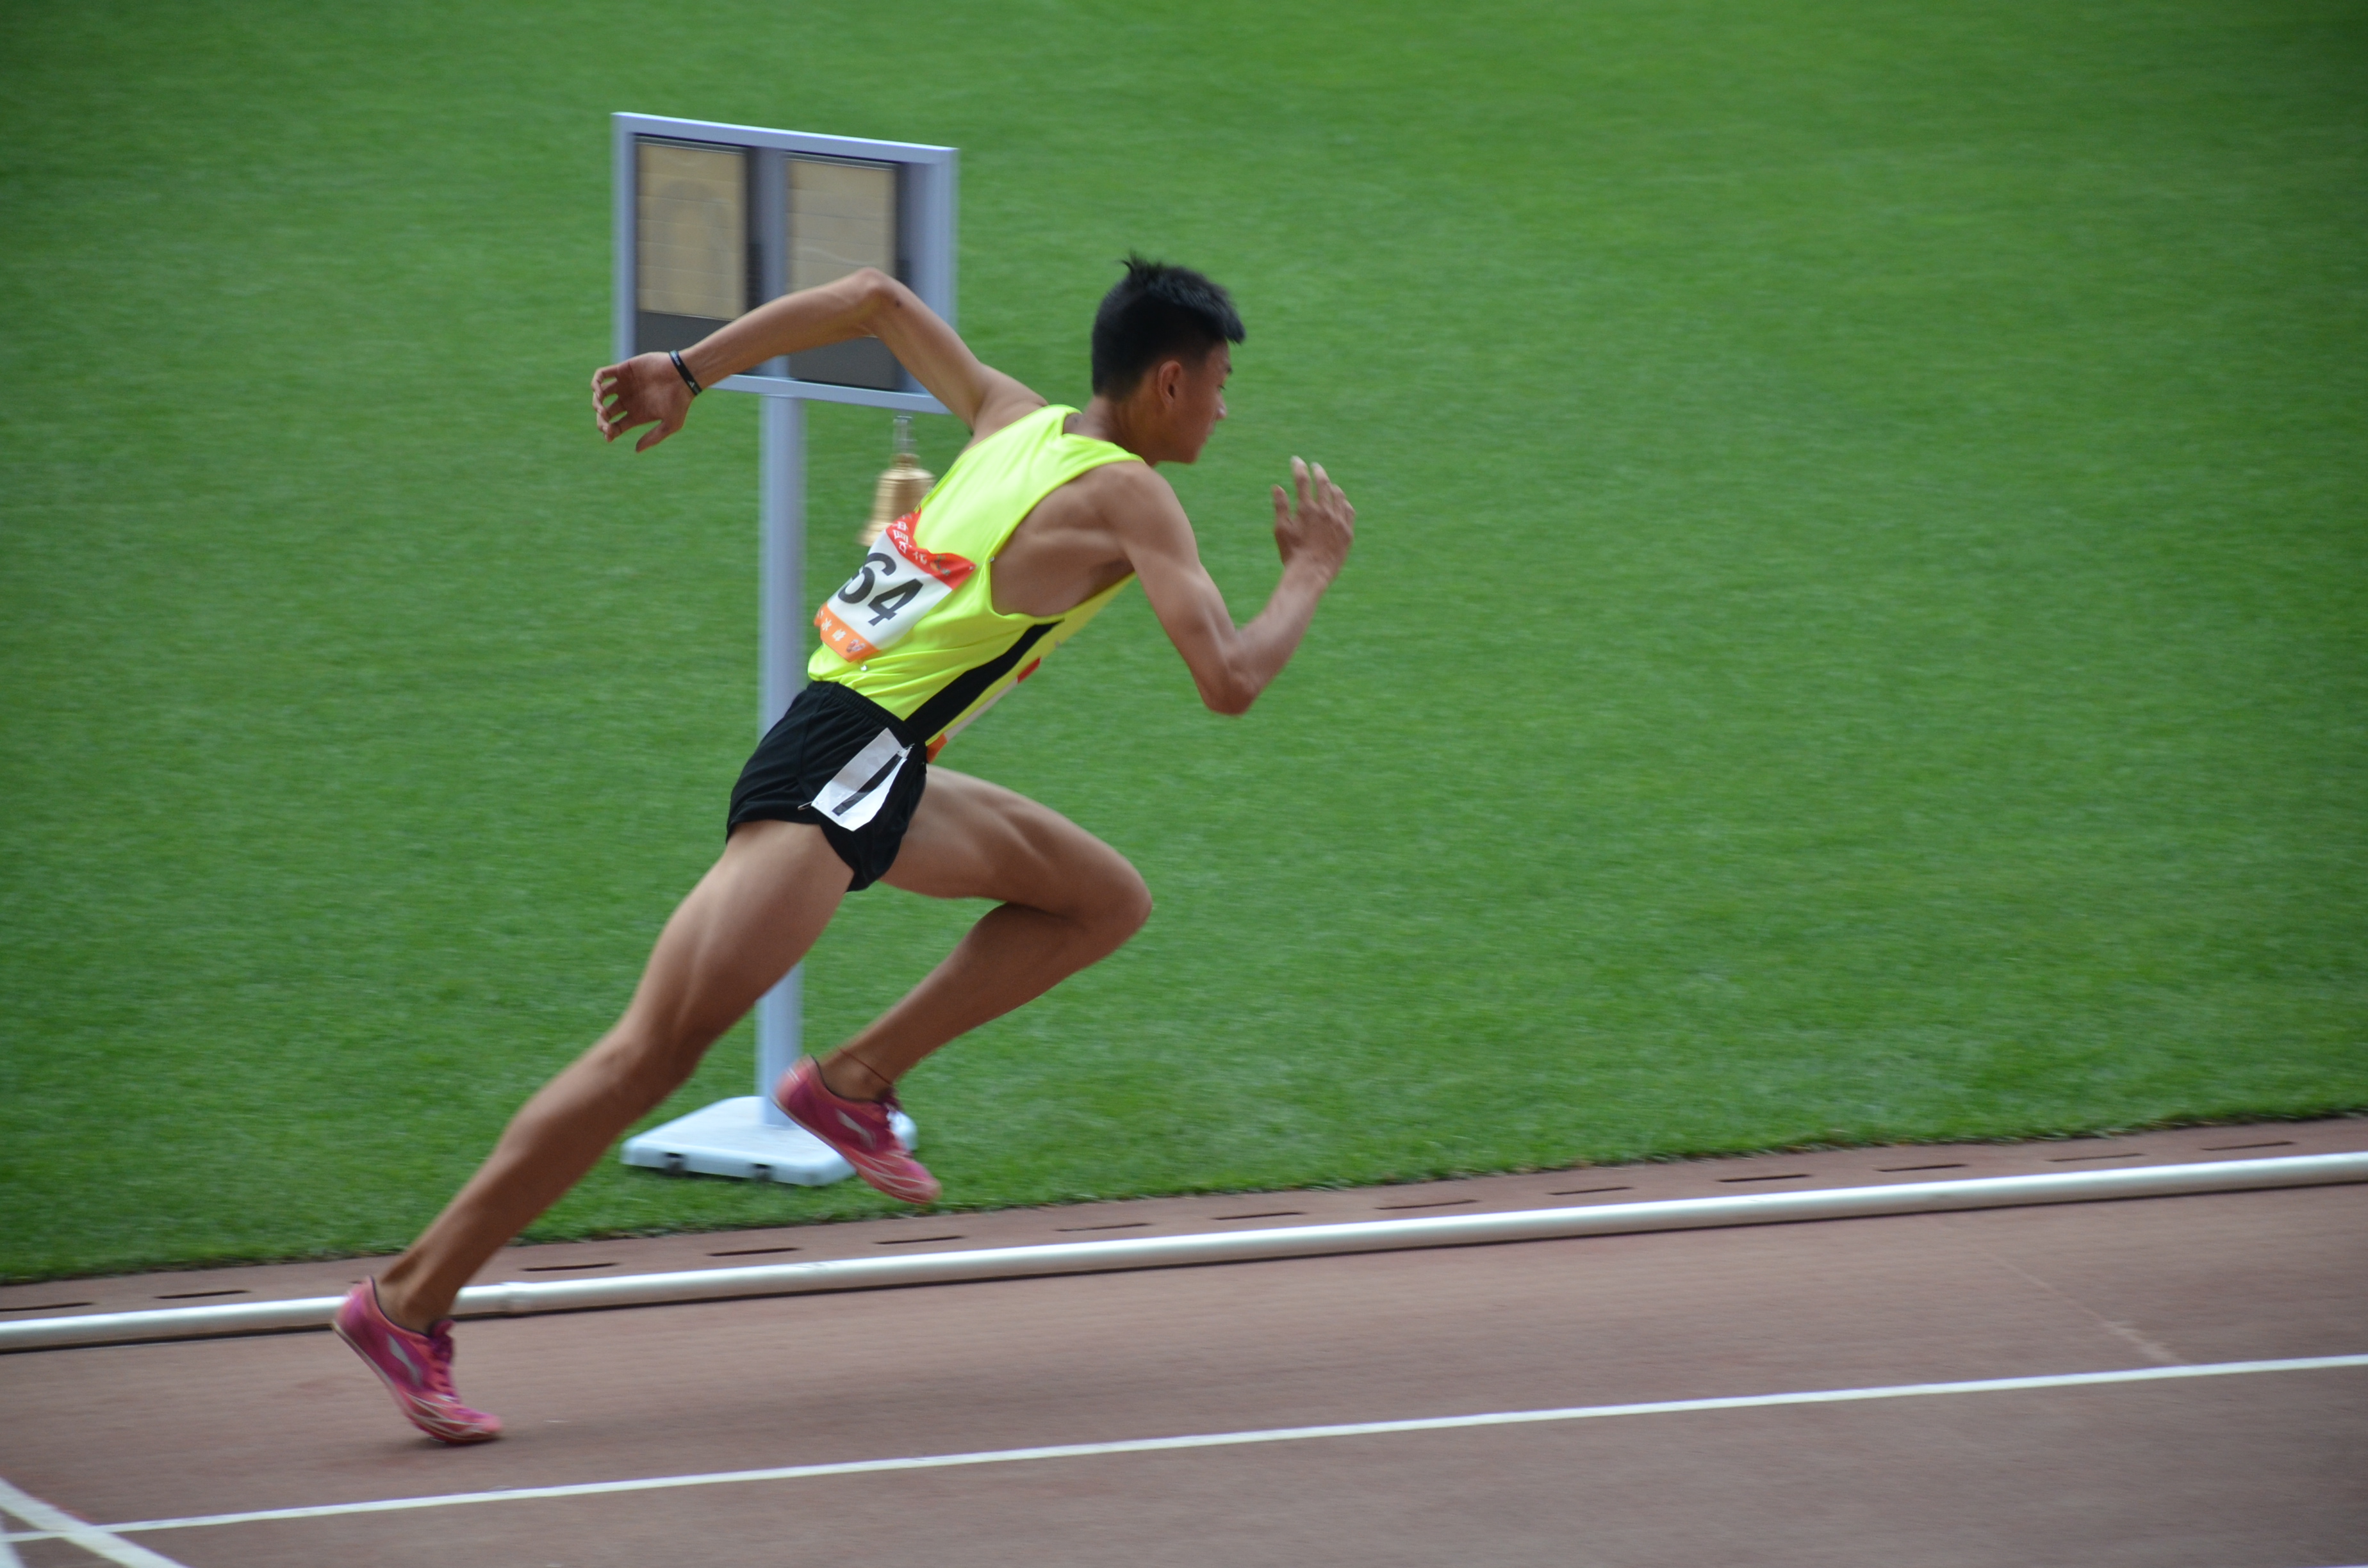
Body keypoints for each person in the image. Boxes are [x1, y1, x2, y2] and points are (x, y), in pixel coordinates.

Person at [334, 257, 1356, 1444]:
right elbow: (1228, 681)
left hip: (880, 763)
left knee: (1100, 901)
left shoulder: (1013, 419)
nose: (1227, 411)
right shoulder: (1132, 495)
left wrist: (687, 370)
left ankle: (852, 1084)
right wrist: (1309, 575)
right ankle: (409, 1299)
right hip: (839, 771)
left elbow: (872, 295)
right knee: (647, 1058)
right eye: (1223, 385)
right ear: (1170, 380)